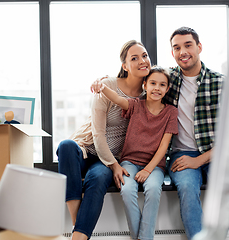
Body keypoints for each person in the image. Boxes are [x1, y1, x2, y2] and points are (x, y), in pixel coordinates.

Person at [57, 40, 151, 240]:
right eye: (134, 58)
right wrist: (115, 166)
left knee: (98, 178)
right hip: (86, 149)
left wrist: (115, 164)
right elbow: (98, 134)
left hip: (108, 158)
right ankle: (77, 222)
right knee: (65, 145)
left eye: (144, 55)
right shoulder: (107, 86)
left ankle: (79, 237)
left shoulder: (148, 95)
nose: (142, 60)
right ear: (125, 66)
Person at [91, 66, 178, 240]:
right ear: (145, 85)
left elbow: (164, 147)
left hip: (154, 166)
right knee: (127, 189)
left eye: (162, 85)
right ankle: (141, 237)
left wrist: (148, 170)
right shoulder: (135, 105)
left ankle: (144, 238)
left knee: (153, 189)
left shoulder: (171, 112)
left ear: (167, 89)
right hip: (129, 161)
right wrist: (101, 85)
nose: (157, 88)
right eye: (153, 83)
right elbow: (116, 98)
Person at [163, 27, 225, 240]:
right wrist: (107, 82)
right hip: (182, 155)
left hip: (216, 154)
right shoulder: (167, 81)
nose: (183, 52)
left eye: (188, 45)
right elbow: (138, 88)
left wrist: (199, 161)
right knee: (188, 190)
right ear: (172, 53)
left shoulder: (221, 83)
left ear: (199, 47)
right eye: (177, 48)